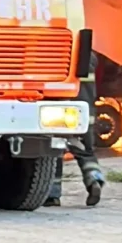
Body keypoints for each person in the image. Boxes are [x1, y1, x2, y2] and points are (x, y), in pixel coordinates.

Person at [44, 51, 105, 207]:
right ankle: (94, 179)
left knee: (54, 149)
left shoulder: (59, 57)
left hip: (62, 114)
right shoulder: (89, 58)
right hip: (85, 116)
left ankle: (52, 195)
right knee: (86, 151)